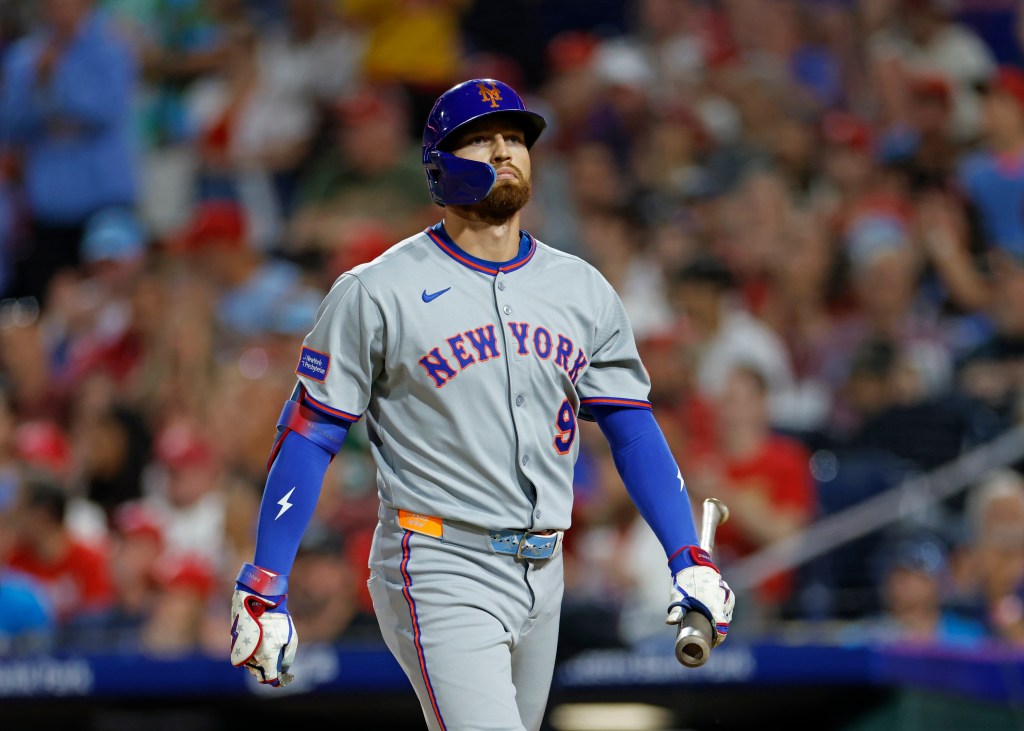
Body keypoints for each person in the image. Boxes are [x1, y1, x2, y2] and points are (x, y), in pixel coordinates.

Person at [227, 78, 735, 731]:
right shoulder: (377, 290)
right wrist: (266, 579)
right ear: (439, 163)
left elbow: (631, 425)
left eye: (515, 138)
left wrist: (684, 553)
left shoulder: (581, 288)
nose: (505, 150)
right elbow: (309, 433)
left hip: (545, 567)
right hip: (439, 556)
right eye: (482, 139)